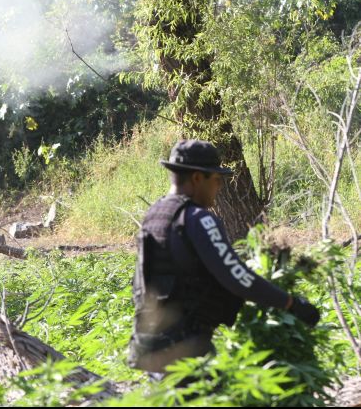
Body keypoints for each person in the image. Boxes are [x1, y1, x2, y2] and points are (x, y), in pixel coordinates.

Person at [128, 139, 320, 375]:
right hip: (185, 350)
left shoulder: (155, 215)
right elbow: (236, 276)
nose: (219, 188)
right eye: (217, 180)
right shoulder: (198, 219)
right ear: (198, 178)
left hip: (151, 343)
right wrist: (291, 303)